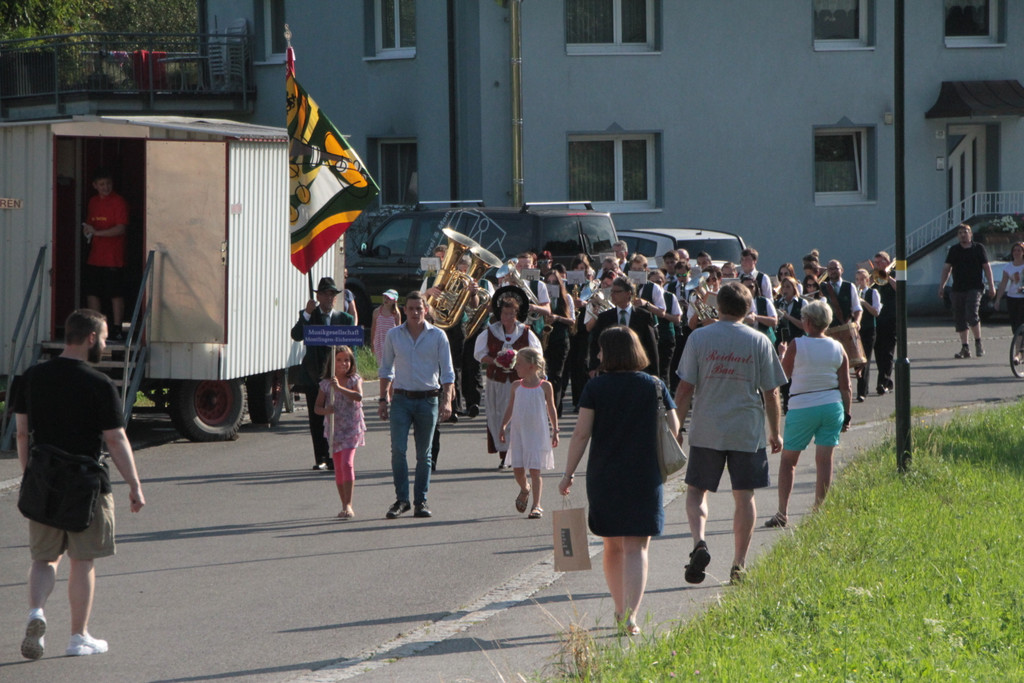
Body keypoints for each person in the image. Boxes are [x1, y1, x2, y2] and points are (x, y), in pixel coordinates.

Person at [14, 309, 145, 659]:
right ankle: (78, 636)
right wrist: (134, 483)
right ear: (90, 338)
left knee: (44, 558)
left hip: (44, 478)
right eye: (103, 338)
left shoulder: (30, 377)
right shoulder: (99, 384)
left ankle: (36, 613)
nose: (104, 343)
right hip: (86, 484)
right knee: (82, 560)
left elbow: (22, 433)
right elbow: (115, 438)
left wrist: (30, 476)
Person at [559, 326, 680, 636]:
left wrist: (568, 473)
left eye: (600, 350)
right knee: (637, 547)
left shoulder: (595, 388)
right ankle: (630, 617)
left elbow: (581, 433)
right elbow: (674, 427)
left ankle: (618, 608)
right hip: (644, 474)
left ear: (609, 353)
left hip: (605, 474)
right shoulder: (654, 384)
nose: (597, 355)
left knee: (612, 545)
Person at [674, 282, 787, 585]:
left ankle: (699, 542)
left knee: (697, 491)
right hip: (746, 429)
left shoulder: (699, 337)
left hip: (707, 427)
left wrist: (676, 428)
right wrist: (775, 431)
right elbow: (772, 391)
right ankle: (739, 563)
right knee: (744, 496)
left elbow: (685, 388)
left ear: (718, 305)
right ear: (749, 309)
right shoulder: (759, 340)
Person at [765, 300, 851, 529]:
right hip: (832, 404)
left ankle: (782, 512)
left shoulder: (797, 344)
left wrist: (782, 354)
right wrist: (847, 414)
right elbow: (846, 386)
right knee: (824, 460)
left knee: (789, 461)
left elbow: (783, 375)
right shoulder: (837, 346)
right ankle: (818, 509)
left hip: (803, 404)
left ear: (808, 322)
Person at [377, 291, 455, 519]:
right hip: (401, 399)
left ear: (426, 310)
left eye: (419, 309)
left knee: (425, 454)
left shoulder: (438, 336)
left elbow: (448, 372)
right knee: (398, 451)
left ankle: (421, 500)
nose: (414, 313)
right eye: (410, 309)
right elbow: (385, 369)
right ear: (404, 310)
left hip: (428, 399)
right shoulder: (394, 335)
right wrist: (383, 399)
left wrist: (447, 400)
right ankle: (402, 500)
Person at [291, 277, 355, 470]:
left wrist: (350, 375)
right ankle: (321, 457)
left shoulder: (344, 319)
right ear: (318, 296)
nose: (329, 298)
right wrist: (307, 314)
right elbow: (296, 335)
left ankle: (337, 456)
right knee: (317, 419)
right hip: (314, 377)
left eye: (332, 295)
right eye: (325, 294)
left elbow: (351, 350)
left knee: (337, 418)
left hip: (337, 377)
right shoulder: (310, 316)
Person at [475, 295, 543, 469]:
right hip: (496, 381)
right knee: (497, 415)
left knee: (518, 417)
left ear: (516, 315)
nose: (508, 318)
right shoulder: (491, 332)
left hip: (519, 382)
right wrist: (495, 361)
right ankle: (503, 454)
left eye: (511, 314)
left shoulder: (525, 332)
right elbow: (479, 354)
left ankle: (515, 455)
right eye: (505, 314)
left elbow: (536, 354)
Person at [500, 348, 559, 519]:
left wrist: (555, 430)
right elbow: (510, 407)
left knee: (535, 470)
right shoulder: (516, 386)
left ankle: (536, 505)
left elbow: (551, 408)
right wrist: (503, 425)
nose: (516, 367)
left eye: (519, 364)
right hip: (519, 433)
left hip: (537, 433)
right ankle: (525, 488)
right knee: (518, 469)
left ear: (532, 366)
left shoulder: (545, 386)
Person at [313, 346, 366, 519]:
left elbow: (358, 396)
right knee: (338, 468)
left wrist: (340, 389)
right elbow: (317, 408)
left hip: (351, 428)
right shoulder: (326, 384)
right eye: (339, 360)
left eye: (347, 360)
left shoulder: (354, 379)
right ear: (332, 363)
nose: (344, 363)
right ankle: (343, 504)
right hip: (335, 430)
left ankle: (349, 505)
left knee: (347, 464)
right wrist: (327, 410)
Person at [81, 169, 130, 339]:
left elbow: (121, 228)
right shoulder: (93, 202)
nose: (106, 187)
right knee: (92, 292)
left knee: (115, 293)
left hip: (113, 257)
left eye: (108, 183)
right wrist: (88, 230)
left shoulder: (118, 201)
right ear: (95, 186)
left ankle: (117, 328)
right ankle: (95, 328)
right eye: (102, 184)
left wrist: (98, 233)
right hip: (95, 255)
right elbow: (89, 223)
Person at [939, 223, 996, 359]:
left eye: (965, 232)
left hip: (975, 287)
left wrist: (991, 286)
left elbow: (987, 267)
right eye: (960, 233)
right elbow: (947, 269)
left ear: (970, 234)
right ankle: (965, 347)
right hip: (958, 288)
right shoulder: (954, 250)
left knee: (972, 313)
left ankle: (978, 342)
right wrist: (942, 286)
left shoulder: (978, 248)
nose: (962, 235)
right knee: (959, 317)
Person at [588, 277, 659, 377]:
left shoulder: (643, 316)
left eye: (617, 292)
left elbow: (651, 346)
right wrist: (593, 367)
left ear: (628, 293)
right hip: (611, 370)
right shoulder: (605, 317)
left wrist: (654, 373)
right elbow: (596, 343)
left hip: (637, 370)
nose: (612, 295)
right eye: (611, 291)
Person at [542, 268, 575, 417]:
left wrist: (557, 318)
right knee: (543, 374)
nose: (551, 284)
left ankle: (555, 408)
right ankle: (543, 406)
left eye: (554, 282)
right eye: (548, 282)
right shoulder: (542, 297)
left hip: (560, 339)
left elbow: (572, 320)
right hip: (544, 338)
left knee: (556, 374)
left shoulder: (567, 298)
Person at [871, 251, 897, 395]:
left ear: (887, 262)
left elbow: (901, 288)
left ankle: (883, 383)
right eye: (876, 262)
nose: (877, 265)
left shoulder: (898, 271)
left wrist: (888, 277)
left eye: (880, 262)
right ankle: (886, 380)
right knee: (879, 353)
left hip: (891, 318)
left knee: (887, 353)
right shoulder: (874, 276)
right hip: (877, 320)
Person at [854, 268, 882, 402]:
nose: (860, 282)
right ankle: (861, 388)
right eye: (857, 279)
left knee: (865, 360)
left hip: (870, 330)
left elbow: (876, 312)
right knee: (857, 360)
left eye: (862, 279)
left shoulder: (873, 292)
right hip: (857, 330)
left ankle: (862, 392)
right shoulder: (854, 293)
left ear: (868, 280)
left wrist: (864, 302)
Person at [820, 260, 862, 330]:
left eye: (836, 268)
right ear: (827, 271)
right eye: (830, 269)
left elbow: (857, 307)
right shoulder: (822, 287)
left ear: (842, 270)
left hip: (846, 327)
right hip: (829, 329)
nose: (833, 271)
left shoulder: (850, 286)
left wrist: (857, 322)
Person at [994, 241, 1024, 334]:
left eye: (1019, 250)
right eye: (1014, 250)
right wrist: (998, 299)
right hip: (1012, 297)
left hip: (1022, 298)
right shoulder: (1008, 267)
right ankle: (1018, 347)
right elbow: (1003, 284)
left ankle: (1020, 345)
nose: (1016, 253)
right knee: (1015, 324)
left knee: (1021, 323)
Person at [371, 289, 402, 368]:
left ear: (394, 301)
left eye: (389, 298)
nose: (386, 299)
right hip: (380, 342)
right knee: (382, 366)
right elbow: (373, 328)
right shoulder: (377, 312)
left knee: (392, 366)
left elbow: (399, 330)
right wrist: (372, 343)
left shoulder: (396, 314)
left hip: (392, 344)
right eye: (385, 297)